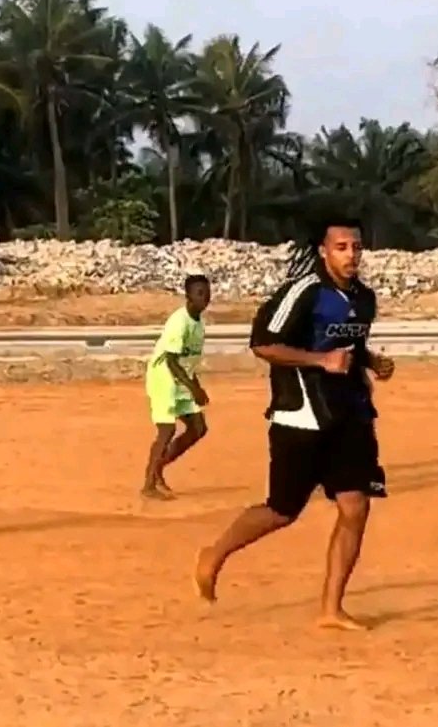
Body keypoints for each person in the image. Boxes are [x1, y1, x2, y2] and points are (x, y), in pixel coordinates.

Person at [193, 216, 395, 630]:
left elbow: (350, 346)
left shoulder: (364, 298)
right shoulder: (304, 291)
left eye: (356, 247)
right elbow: (263, 344)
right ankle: (215, 553)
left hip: (351, 414)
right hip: (301, 415)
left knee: (355, 506)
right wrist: (321, 360)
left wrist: (372, 361)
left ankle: (331, 609)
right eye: (341, 247)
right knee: (282, 510)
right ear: (324, 251)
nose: (351, 254)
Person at [141, 274, 211, 499]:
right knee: (167, 429)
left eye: (207, 292)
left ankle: (158, 468)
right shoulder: (179, 322)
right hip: (164, 377)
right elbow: (171, 361)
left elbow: (187, 360)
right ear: (188, 296)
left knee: (198, 428)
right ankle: (149, 485)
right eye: (200, 293)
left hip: (181, 378)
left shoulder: (198, 323)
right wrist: (193, 388)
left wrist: (196, 385)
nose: (205, 297)